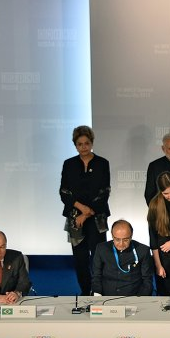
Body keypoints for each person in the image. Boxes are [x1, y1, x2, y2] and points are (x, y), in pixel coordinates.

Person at [59, 125, 111, 295]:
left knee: (98, 257)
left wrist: (88, 213)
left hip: (97, 218)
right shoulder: (69, 164)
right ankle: (84, 291)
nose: (83, 147)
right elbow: (64, 192)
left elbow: (105, 192)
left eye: (86, 143)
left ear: (92, 143)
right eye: (79, 144)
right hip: (76, 219)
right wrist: (82, 210)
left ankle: (98, 291)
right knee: (80, 259)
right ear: (75, 145)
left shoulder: (102, 163)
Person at [91, 219, 153, 296]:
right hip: (106, 296)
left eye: (125, 240)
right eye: (117, 239)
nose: (121, 244)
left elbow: (147, 279)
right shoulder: (101, 249)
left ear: (131, 236)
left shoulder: (143, 250)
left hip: (133, 296)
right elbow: (96, 275)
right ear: (112, 236)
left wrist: (141, 298)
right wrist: (97, 293)